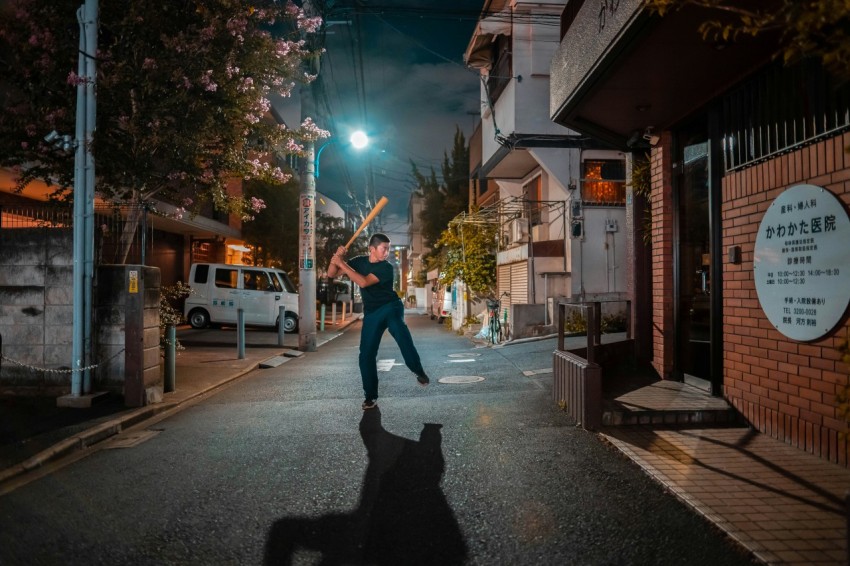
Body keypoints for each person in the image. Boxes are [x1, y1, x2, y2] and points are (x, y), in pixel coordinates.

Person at [328, 233, 429, 410]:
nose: (387, 252)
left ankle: (418, 370)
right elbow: (331, 273)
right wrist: (337, 258)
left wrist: (341, 263)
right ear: (372, 249)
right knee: (366, 354)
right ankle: (370, 397)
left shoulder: (386, 267)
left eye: (388, 249)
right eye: (384, 249)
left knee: (402, 336)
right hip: (372, 313)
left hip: (390, 307)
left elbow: (364, 282)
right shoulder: (359, 262)